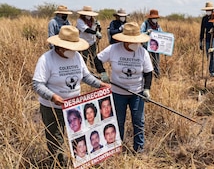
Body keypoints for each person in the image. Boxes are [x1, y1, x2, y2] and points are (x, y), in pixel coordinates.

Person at [32, 25, 110, 166]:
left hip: (75, 106)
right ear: (60, 46)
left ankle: (81, 162)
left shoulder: (77, 57)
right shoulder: (46, 59)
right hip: (53, 108)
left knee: (79, 136)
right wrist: (52, 96)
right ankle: (59, 164)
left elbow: (85, 76)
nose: (73, 50)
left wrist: (99, 84)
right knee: (55, 139)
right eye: (70, 47)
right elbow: (37, 84)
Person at [95, 22, 153, 152]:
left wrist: (147, 89)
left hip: (137, 93)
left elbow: (148, 73)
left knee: (138, 121)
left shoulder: (142, 52)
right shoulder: (113, 49)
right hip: (117, 93)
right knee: (118, 121)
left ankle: (139, 149)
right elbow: (97, 59)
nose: (134, 44)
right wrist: (103, 73)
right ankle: (116, 147)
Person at [140, 9, 162, 78]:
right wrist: (147, 32)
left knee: (156, 62)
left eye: (156, 18)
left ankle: (157, 77)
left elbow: (162, 34)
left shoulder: (158, 26)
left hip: (155, 47)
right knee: (146, 62)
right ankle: (145, 76)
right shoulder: (145, 24)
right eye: (153, 18)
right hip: (146, 46)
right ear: (150, 18)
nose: (155, 19)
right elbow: (140, 34)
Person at [200, 2, 214, 76]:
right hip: (207, 39)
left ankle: (213, 71)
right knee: (209, 55)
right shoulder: (204, 18)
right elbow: (202, 30)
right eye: (207, 10)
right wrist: (200, 41)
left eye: (209, 10)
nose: (208, 11)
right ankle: (211, 70)